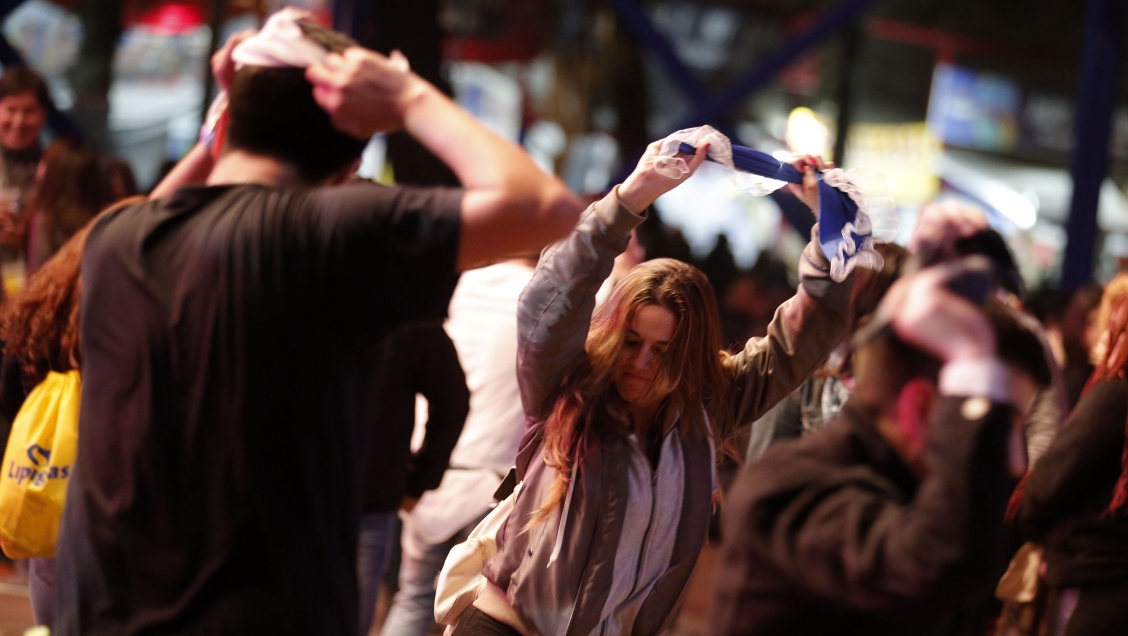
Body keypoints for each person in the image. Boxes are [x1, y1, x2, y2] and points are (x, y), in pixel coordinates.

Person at [51, 10, 581, 635]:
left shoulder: (115, 240)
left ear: (228, 123)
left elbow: (173, 200)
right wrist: (407, 97)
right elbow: (547, 207)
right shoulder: (330, 235)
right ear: (351, 157)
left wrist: (230, 105)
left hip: (98, 614)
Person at [453, 142, 856, 635]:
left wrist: (831, 230)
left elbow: (805, 333)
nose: (641, 363)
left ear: (689, 358)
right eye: (631, 341)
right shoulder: (568, 385)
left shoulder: (710, 404)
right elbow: (550, 298)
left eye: (664, 351)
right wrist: (631, 197)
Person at [710, 260, 1053, 636]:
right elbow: (940, 562)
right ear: (921, 409)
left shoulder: (915, 494)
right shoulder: (794, 492)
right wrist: (975, 374)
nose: (1017, 461)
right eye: (1002, 426)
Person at [380, 258, 535, 636]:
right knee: (477, 611)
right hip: (490, 480)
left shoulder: (462, 283)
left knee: (414, 599)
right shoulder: (547, 293)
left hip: (429, 469)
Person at [1017, 273, 1128, 636]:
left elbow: (1048, 483)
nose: (1099, 330)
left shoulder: (1115, 396)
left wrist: (1028, 527)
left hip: (1093, 580)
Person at [358, 320, 470, 635]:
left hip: (367, 505)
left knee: (410, 599)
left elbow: (451, 400)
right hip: (305, 502)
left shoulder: (407, 318)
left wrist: (420, 481)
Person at [23, 138, 113, 273]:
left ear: (52, 172)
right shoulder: (105, 218)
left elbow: (39, 271)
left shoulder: (44, 218)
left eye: (44, 162)